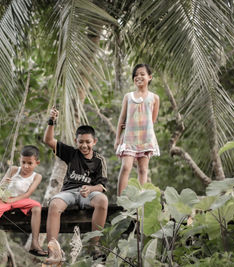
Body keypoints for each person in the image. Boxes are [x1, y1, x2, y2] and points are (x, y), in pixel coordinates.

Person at [43, 107, 108, 264]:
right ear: (76, 141)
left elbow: (101, 186)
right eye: (81, 142)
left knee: (103, 201)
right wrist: (52, 121)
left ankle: (94, 246)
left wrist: (90, 188)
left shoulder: (99, 160)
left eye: (88, 142)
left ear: (94, 142)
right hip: (69, 192)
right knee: (54, 204)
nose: (84, 145)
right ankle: (53, 251)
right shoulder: (72, 153)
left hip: (89, 194)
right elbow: (48, 140)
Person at [0, 145, 47, 257]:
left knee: (37, 206)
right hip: (5, 198)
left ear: (37, 163)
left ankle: (35, 244)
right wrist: (5, 184)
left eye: (30, 163)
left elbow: (28, 193)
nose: (26, 166)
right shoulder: (13, 170)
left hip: (21, 199)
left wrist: (13, 201)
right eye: (23, 162)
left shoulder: (37, 176)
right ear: (20, 160)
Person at [114, 63, 160, 196]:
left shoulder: (154, 98)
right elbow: (122, 119)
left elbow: (152, 120)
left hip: (146, 138)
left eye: (142, 74)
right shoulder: (128, 97)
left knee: (143, 170)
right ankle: (121, 201)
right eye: (136, 75)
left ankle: (141, 202)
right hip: (129, 138)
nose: (138, 77)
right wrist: (118, 138)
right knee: (126, 167)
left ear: (149, 77)